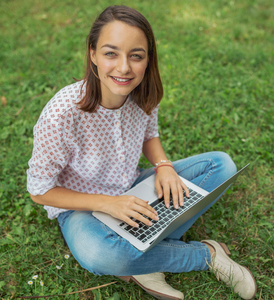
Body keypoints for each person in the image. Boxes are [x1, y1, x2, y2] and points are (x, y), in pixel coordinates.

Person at [26, 5, 256, 300]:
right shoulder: (62, 113)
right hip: (80, 208)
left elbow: (150, 135)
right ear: (92, 54)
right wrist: (109, 204)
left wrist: (164, 167)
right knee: (98, 254)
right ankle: (206, 254)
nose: (124, 68)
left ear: (148, 60)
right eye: (111, 53)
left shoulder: (143, 92)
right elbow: (40, 190)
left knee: (220, 165)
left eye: (136, 56)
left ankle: (137, 257)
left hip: (133, 187)